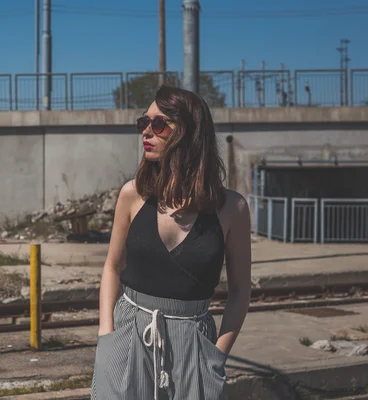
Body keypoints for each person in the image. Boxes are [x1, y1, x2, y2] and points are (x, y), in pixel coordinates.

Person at [90, 85, 251, 400]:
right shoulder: (132, 194)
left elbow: (241, 292)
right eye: (143, 123)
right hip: (128, 335)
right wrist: (106, 337)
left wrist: (216, 356)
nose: (146, 132)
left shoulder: (233, 208)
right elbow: (112, 266)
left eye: (159, 124)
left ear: (189, 133)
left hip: (194, 343)